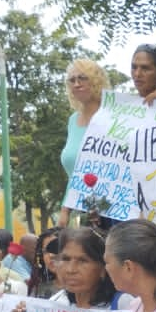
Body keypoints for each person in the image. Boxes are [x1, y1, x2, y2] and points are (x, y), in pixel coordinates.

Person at [59, 59, 110, 228]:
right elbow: (75, 174)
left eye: (82, 78)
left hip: (113, 210)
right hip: (83, 211)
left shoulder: (112, 117)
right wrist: (65, 210)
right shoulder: (73, 121)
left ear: (96, 81)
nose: (76, 84)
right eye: (72, 80)